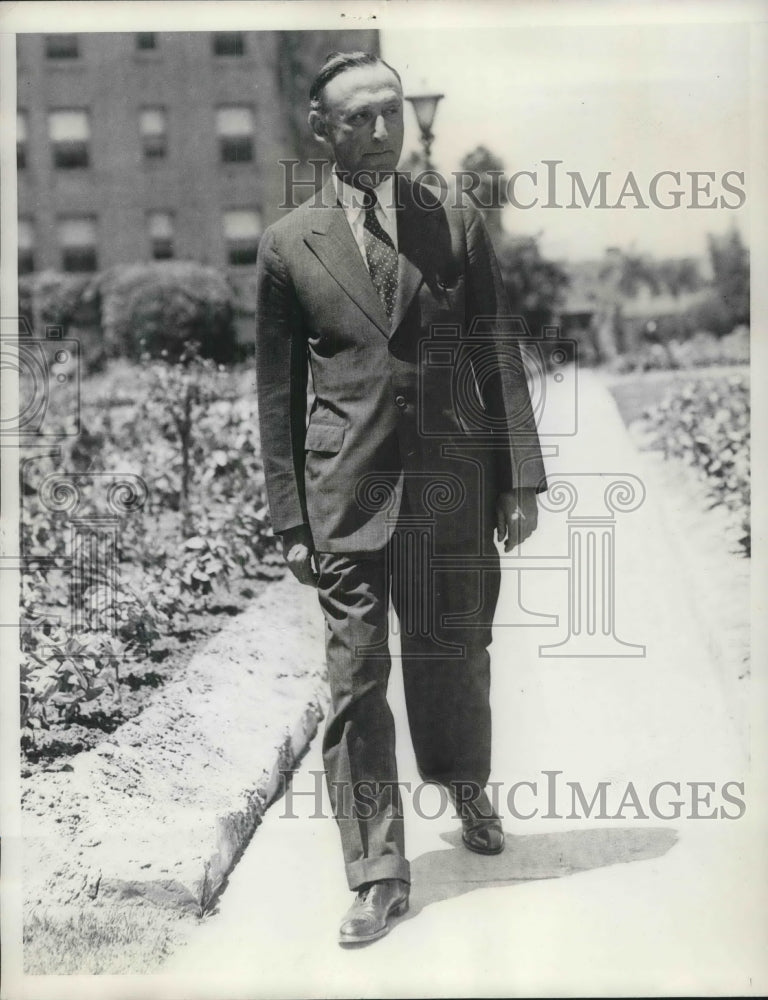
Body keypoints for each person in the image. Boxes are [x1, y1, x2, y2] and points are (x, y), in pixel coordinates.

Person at [254, 51, 547, 946]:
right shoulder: (286, 245)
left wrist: (519, 478)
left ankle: (468, 791)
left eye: (390, 112)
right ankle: (378, 871)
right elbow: (275, 392)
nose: (381, 131)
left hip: (452, 489)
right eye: (359, 119)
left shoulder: (452, 217)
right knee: (355, 682)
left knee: (452, 655)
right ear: (323, 131)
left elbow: (496, 348)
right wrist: (290, 517)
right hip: (347, 495)